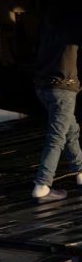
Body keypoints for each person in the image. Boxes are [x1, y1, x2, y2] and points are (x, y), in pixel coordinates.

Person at [30, 13, 82, 202]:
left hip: (44, 86)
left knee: (70, 129)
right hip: (62, 87)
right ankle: (42, 185)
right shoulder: (71, 28)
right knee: (57, 136)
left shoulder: (47, 30)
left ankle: (80, 171)